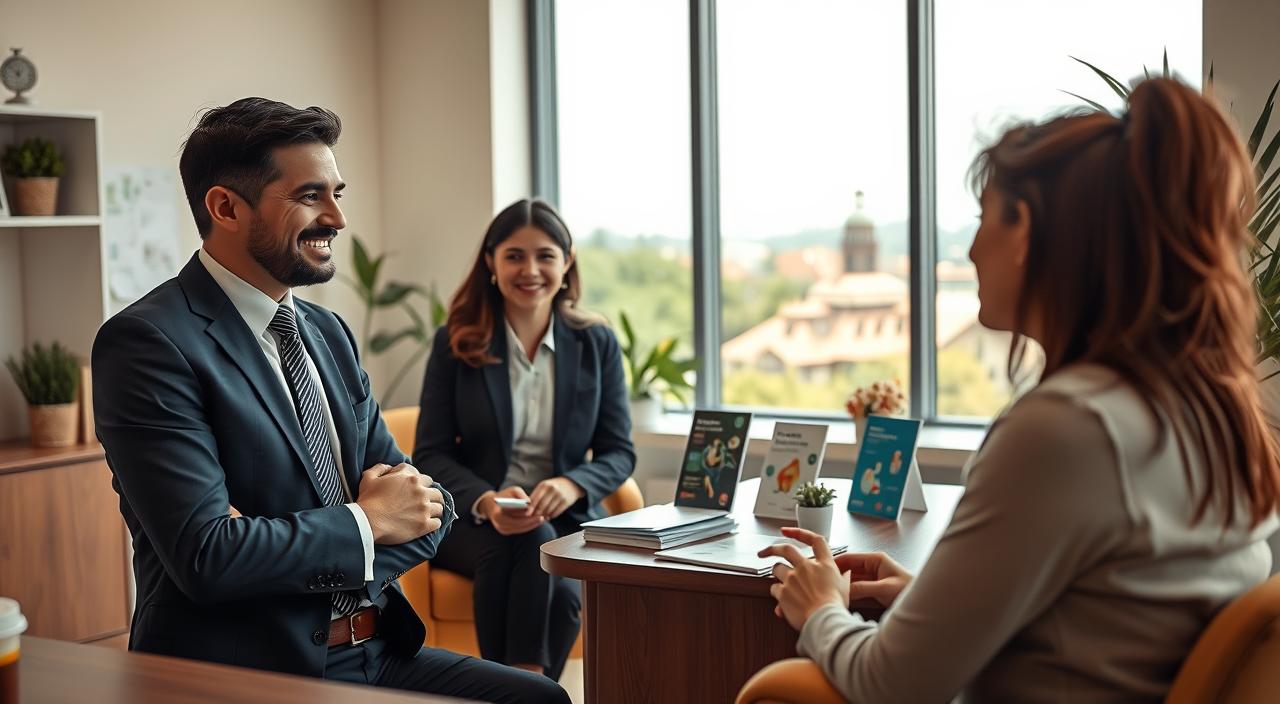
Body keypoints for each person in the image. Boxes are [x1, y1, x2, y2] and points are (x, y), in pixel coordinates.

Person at [761, 78, 1280, 702]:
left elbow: (890, 685)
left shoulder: (1067, 427)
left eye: (984, 219)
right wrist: (935, 598)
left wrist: (820, 610)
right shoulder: (1206, 409)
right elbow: (1115, 618)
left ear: (1026, 232)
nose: (973, 249)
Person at [92, 98, 567, 704]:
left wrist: (283, 541)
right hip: (247, 668)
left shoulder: (328, 333)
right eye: (309, 195)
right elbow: (209, 556)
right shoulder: (148, 343)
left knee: (541, 698)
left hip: (377, 651)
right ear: (225, 207)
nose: (338, 218)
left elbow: (431, 507)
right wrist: (368, 520)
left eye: (337, 192)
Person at [414, 198, 635, 682]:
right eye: (514, 255)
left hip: (565, 514)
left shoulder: (596, 342)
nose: (530, 270)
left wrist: (572, 484)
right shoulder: (456, 340)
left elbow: (619, 450)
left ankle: (508, 688)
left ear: (567, 262)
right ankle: (530, 687)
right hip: (473, 519)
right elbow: (430, 452)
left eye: (545, 255)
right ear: (491, 262)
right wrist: (487, 500)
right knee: (537, 551)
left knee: (540, 544)